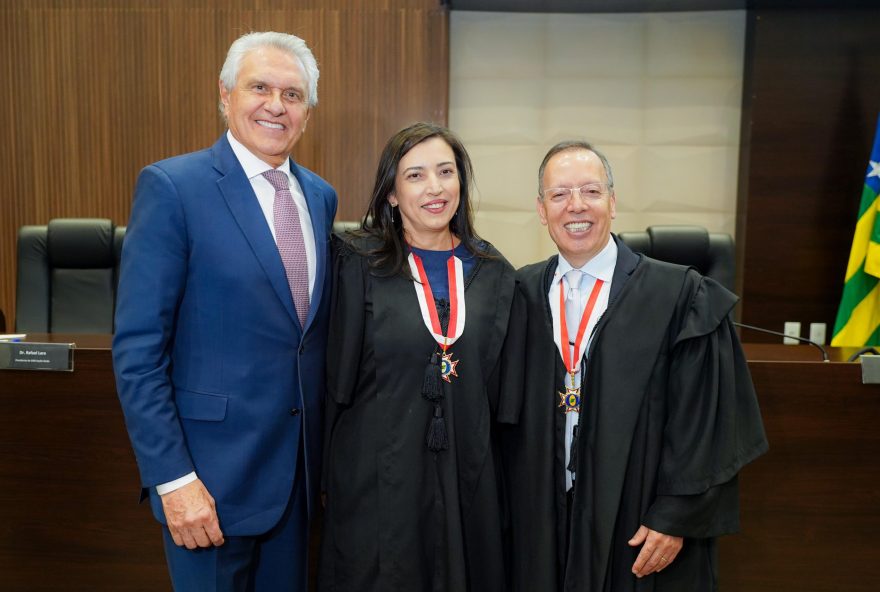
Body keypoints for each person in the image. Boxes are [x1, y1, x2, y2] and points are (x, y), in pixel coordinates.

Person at [113, 31, 337, 590]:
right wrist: (173, 479)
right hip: (206, 489)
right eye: (259, 87)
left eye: (292, 95)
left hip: (294, 488)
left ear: (307, 113)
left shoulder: (321, 197)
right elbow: (139, 352)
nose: (275, 105)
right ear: (224, 94)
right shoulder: (173, 187)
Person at [503, 141, 768, 591]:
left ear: (612, 200)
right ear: (541, 209)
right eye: (559, 194)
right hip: (541, 521)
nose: (576, 206)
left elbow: (705, 421)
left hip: (640, 524)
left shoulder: (680, 296)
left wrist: (675, 517)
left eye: (590, 190)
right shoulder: (517, 294)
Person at [318, 122, 521, 591]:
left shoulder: (495, 274)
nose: (434, 188)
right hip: (375, 481)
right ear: (390, 193)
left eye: (445, 172)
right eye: (415, 176)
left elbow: (504, 401)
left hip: (466, 481)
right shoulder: (356, 262)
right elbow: (335, 382)